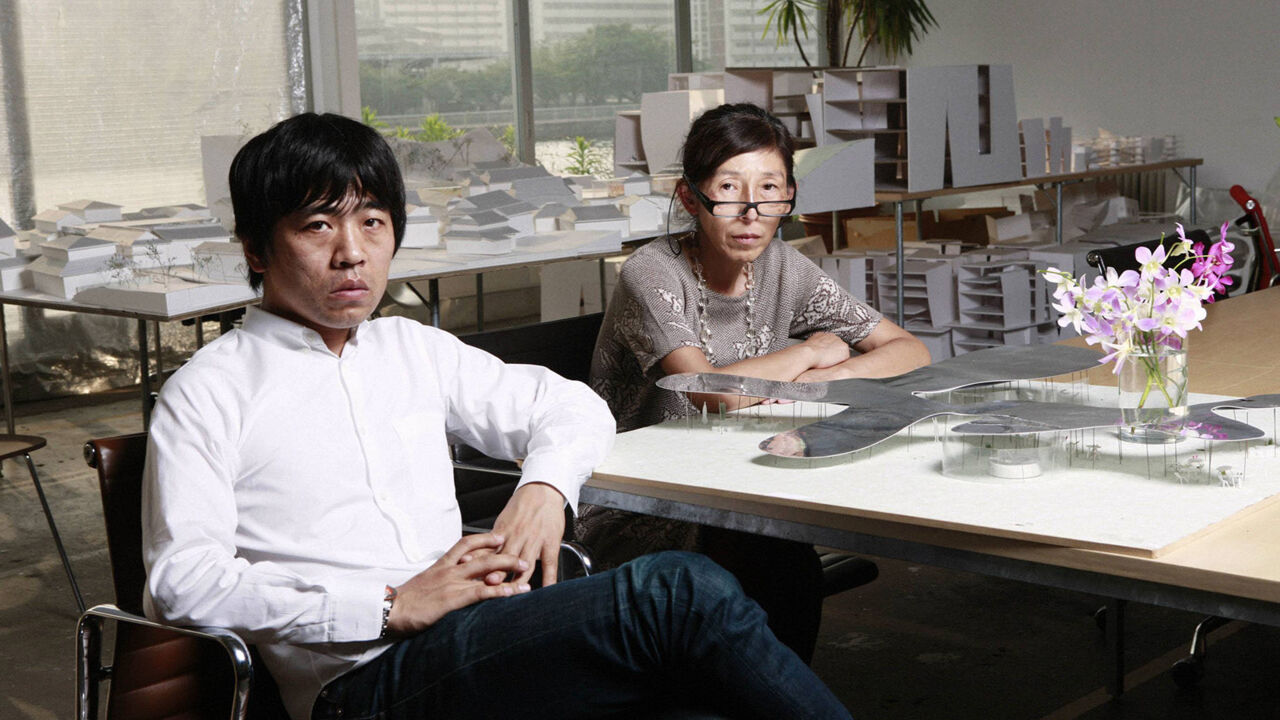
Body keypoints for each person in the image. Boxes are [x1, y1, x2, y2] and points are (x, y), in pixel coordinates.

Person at [141, 112, 853, 720]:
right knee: (681, 591)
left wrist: (543, 489)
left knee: (706, 693)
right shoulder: (209, 390)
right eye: (318, 226)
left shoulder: (410, 348)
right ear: (256, 249)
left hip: (485, 631)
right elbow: (182, 582)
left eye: (373, 222)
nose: (352, 252)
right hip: (363, 684)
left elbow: (571, 408)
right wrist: (386, 604)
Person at [580, 102, 931, 661]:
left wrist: (826, 374)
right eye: (729, 187)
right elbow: (706, 390)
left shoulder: (781, 267)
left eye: (770, 188)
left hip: (742, 486)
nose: (751, 210)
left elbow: (908, 350)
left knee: (781, 551)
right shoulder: (653, 271)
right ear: (690, 198)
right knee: (779, 558)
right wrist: (810, 350)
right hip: (646, 505)